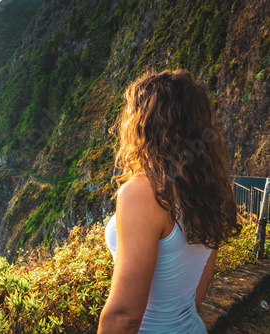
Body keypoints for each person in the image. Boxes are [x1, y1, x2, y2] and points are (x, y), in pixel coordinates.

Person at [97, 70, 241, 333]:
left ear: (144, 124)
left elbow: (124, 316)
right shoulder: (209, 189)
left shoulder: (143, 192)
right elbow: (201, 285)